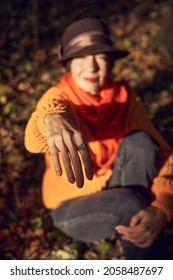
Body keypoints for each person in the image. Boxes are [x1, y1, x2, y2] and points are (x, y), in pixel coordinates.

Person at [24, 18, 173, 260]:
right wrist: (52, 119)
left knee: (141, 142)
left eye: (100, 57)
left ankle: (134, 228)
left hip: (114, 182)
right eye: (80, 57)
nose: (91, 67)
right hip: (72, 204)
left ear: (111, 63)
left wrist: (162, 207)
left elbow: (164, 153)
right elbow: (33, 140)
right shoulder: (57, 98)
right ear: (68, 65)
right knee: (129, 204)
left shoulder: (125, 96)